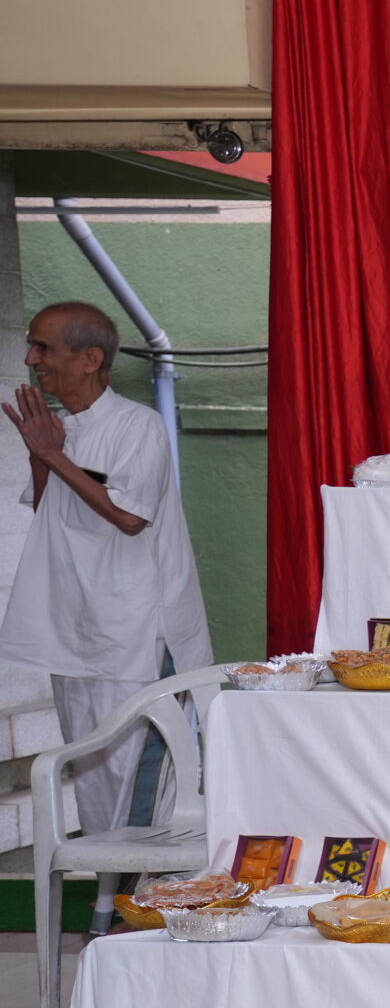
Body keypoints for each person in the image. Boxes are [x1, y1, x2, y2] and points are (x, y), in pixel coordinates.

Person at [0, 302, 213, 840]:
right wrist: (42, 455)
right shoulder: (62, 432)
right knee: (94, 781)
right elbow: (50, 512)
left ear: (91, 358)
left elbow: (130, 517)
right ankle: (109, 888)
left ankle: (138, 891)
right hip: (77, 635)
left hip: (138, 638)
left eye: (43, 348)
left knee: (137, 783)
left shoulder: (138, 425)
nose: (31, 360)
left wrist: (54, 455)